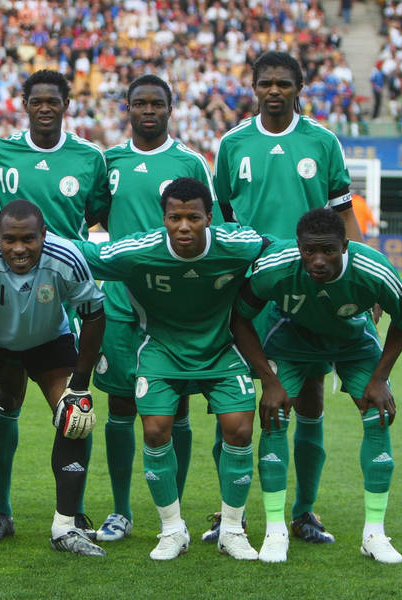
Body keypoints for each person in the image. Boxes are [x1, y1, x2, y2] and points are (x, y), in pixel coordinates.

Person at [212, 50, 365, 545]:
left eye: (283, 83)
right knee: (235, 402)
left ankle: (303, 512)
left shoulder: (322, 142)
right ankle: (228, 515)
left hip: (310, 288)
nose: (273, 90)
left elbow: (343, 218)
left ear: (300, 88)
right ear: (253, 87)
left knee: (309, 399)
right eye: (264, 83)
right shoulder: (233, 144)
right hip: (251, 292)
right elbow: (223, 221)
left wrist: (359, 274)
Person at [73, 178, 269, 561]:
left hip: (220, 349)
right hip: (161, 349)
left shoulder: (236, 244)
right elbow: (80, 253)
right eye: (175, 217)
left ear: (209, 218)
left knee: (241, 429)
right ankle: (172, 530)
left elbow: (274, 248)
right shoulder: (139, 251)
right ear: (162, 218)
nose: (184, 226)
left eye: (193, 217)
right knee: (156, 429)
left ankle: (231, 529)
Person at [233, 208, 402, 563]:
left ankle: (374, 534)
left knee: (377, 414)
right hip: (290, 339)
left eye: (329, 251)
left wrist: (379, 378)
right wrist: (269, 381)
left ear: (345, 245)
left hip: (352, 342)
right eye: (309, 251)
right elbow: (240, 317)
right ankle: (275, 530)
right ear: (299, 246)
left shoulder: (372, 269)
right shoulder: (276, 266)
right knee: (275, 416)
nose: (318, 260)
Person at [0, 200, 106, 558]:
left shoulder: (67, 256)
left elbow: (94, 314)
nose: (19, 248)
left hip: (46, 340)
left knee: (75, 415)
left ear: (44, 234)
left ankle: (65, 527)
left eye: (29, 239)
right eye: (9, 239)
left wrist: (81, 383)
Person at [0, 69, 110, 541]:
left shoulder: (88, 157)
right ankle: (0, 510)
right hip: (9, 294)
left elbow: (97, 215)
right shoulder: (1, 152)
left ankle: (70, 514)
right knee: (6, 400)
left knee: (76, 406)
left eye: (53, 100)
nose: (45, 107)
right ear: (25, 104)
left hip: (68, 298)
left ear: (67, 103)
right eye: (36, 100)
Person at [94, 74, 219, 543]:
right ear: (127, 108)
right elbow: (97, 216)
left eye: (157, 103)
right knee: (121, 404)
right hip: (123, 303)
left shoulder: (190, 162)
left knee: (177, 407)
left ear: (171, 107)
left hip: (174, 308)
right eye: (140, 103)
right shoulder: (111, 161)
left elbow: (211, 230)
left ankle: (177, 511)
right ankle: (121, 511)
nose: (148, 110)